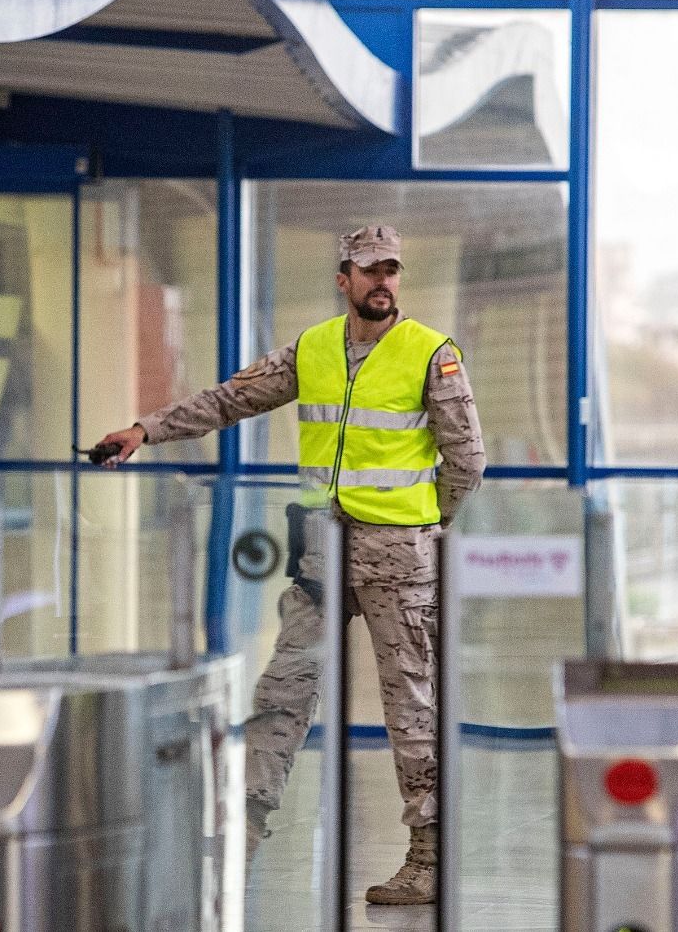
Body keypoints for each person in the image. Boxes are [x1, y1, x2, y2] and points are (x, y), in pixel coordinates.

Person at [94, 224, 485, 906]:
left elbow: (468, 461)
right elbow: (227, 400)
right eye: (369, 270)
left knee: (411, 711)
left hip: (400, 560)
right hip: (323, 557)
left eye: (392, 268)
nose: (382, 281)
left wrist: (429, 522)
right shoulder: (313, 351)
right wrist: (145, 430)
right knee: (282, 696)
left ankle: (428, 859)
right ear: (344, 279)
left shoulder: (431, 354)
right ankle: (237, 839)